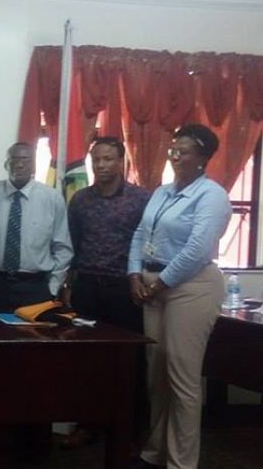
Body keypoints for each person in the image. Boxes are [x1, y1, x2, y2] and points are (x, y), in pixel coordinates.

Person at [128, 124, 231, 469]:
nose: (175, 156)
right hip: (153, 283)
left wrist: (160, 284)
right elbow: (141, 232)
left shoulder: (212, 195)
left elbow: (197, 249)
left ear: (202, 158)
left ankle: (181, 462)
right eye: (173, 149)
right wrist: (134, 275)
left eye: (183, 151)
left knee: (182, 377)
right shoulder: (162, 192)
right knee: (156, 375)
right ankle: (155, 451)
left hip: (191, 286)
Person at [60, 137, 151, 449]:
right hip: (87, 288)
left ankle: (131, 429)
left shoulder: (141, 199)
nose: (101, 165)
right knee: (87, 362)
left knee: (130, 361)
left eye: (108, 159)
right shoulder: (80, 200)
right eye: (96, 159)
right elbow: (72, 244)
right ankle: (87, 425)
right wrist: (68, 284)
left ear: (121, 160)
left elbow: (149, 243)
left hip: (125, 291)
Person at [0, 142, 73, 312]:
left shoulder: (52, 199)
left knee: (33, 337)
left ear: (34, 164)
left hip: (36, 287)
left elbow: (63, 248)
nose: (19, 164)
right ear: (5, 164)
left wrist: (52, 287)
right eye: (14, 160)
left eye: (26, 160)